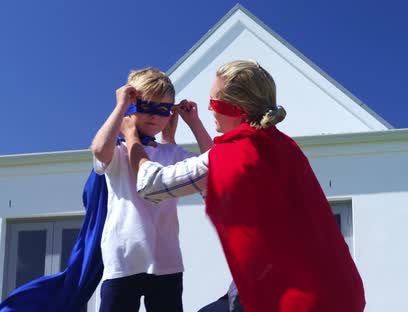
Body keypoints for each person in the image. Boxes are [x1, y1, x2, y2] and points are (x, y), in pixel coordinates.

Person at [122, 60, 366, 311]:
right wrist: (190, 127)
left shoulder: (237, 153)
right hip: (341, 291)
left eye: (214, 102)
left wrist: (130, 136)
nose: (209, 108)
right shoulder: (283, 147)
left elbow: (150, 185)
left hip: (296, 301)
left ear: (237, 109)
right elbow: (219, 173)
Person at [91, 67, 213, 312]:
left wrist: (195, 122)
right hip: (123, 258)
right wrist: (119, 108)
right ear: (131, 106)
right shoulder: (119, 151)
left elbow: (214, 166)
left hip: (166, 259)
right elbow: (98, 149)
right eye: (146, 106)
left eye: (163, 110)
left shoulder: (172, 152)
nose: (154, 116)